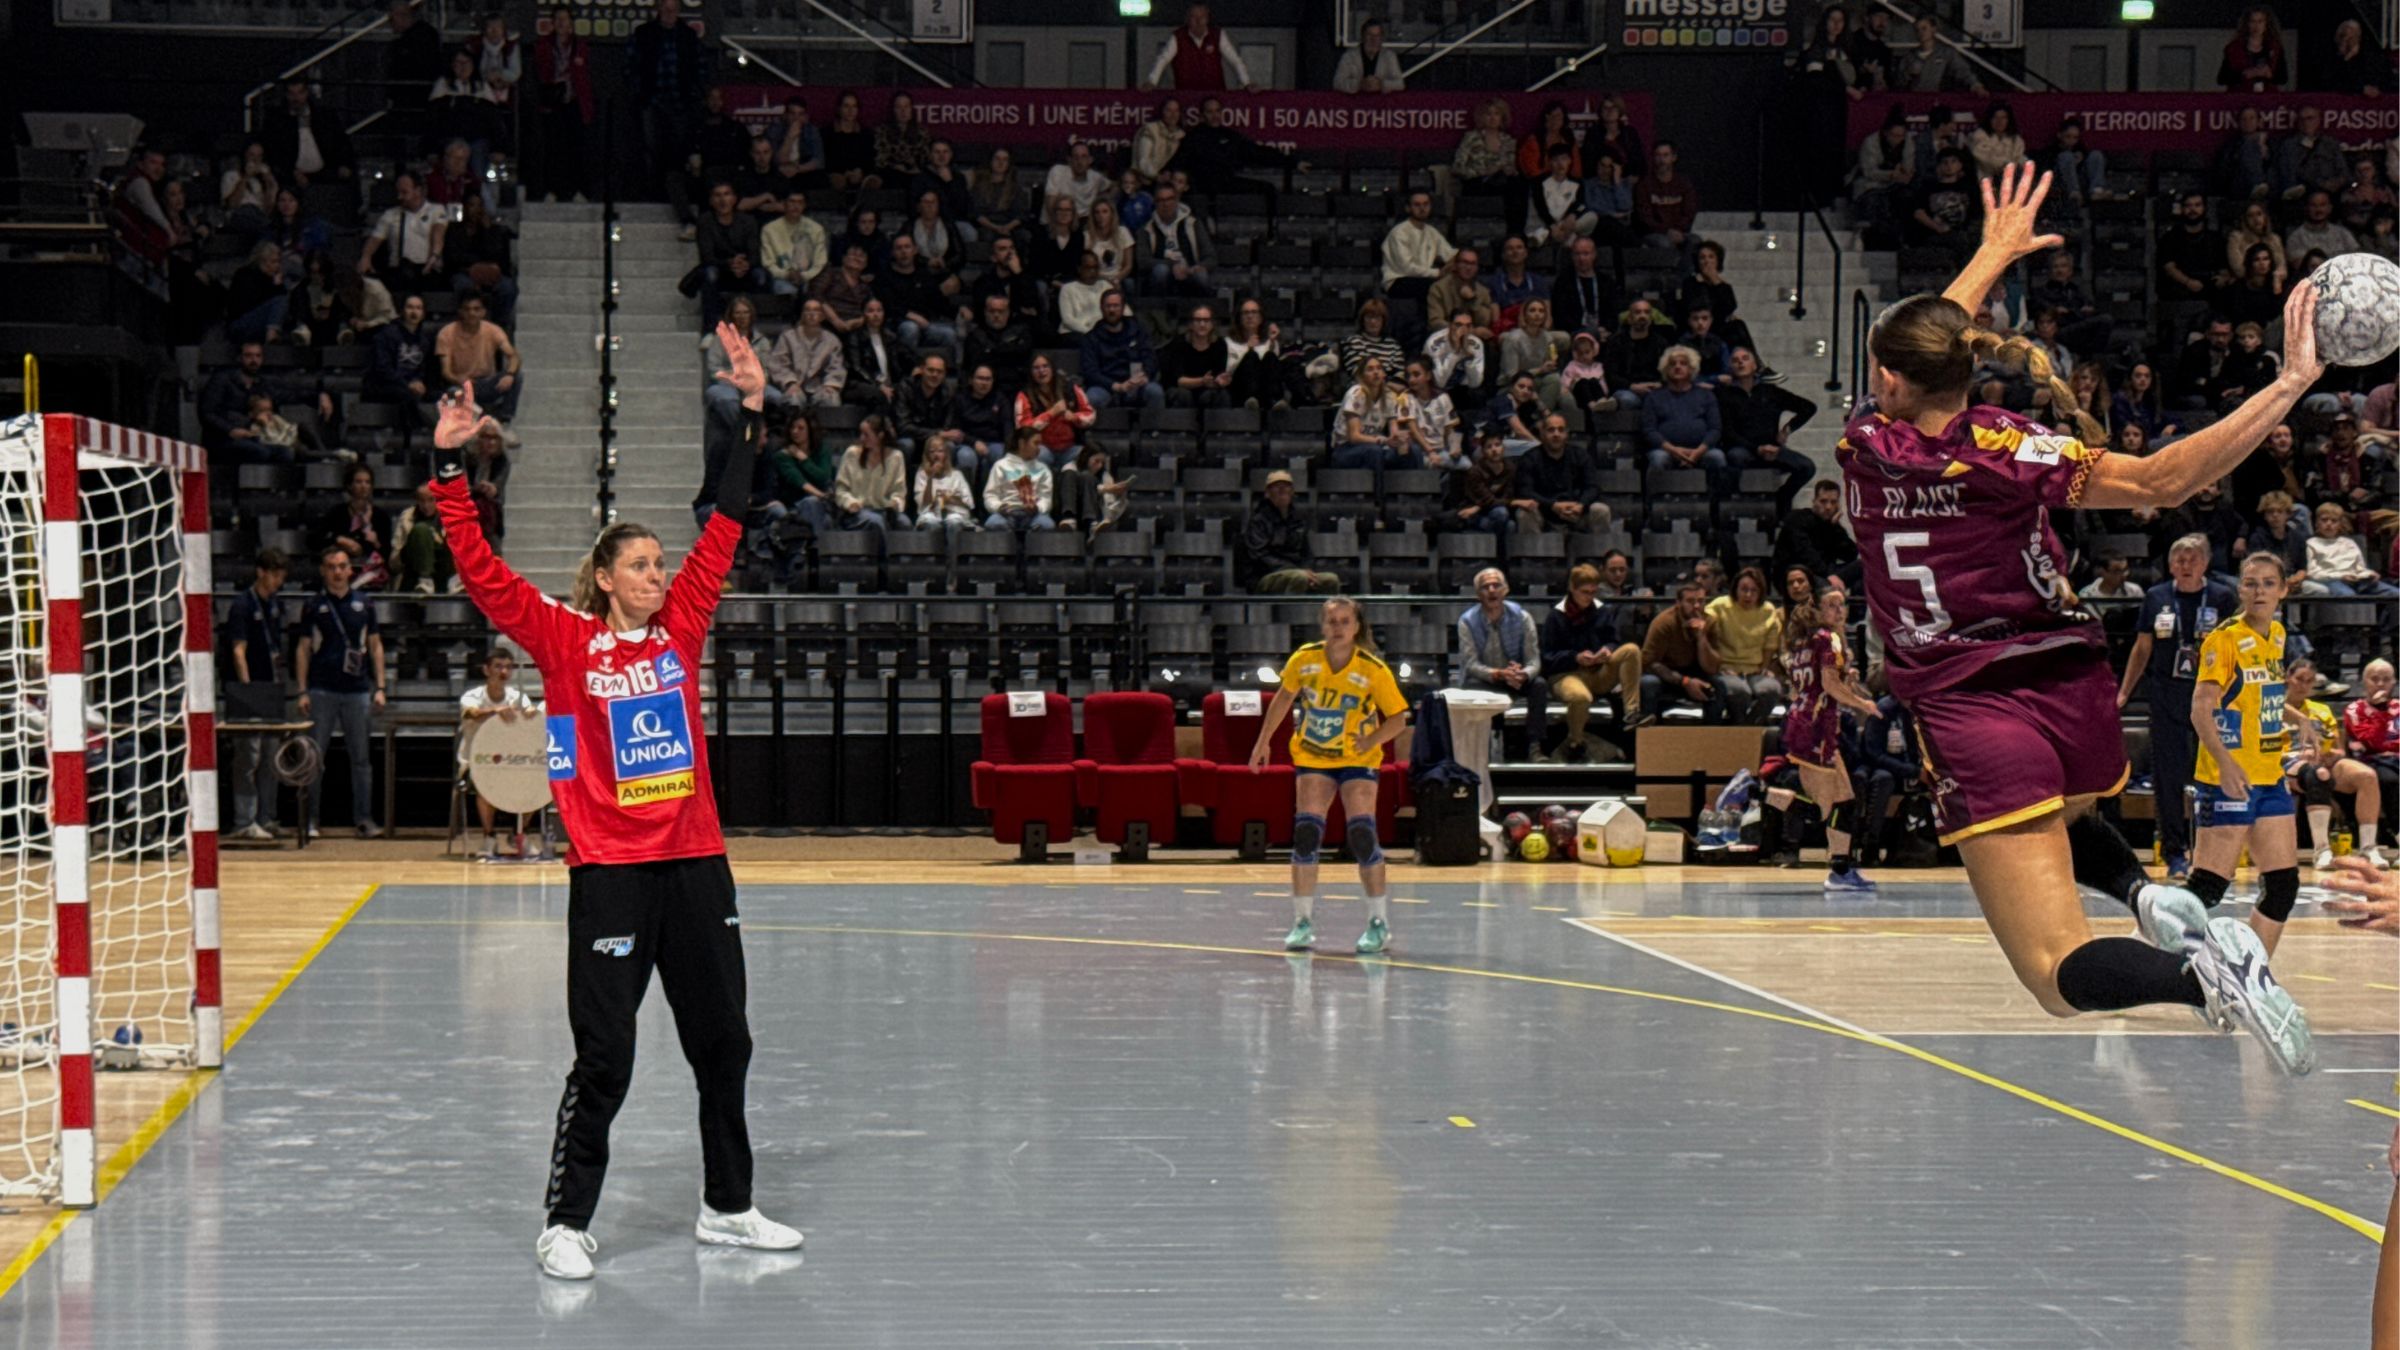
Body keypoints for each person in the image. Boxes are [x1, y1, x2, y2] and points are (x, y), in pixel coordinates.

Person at [1845, 163, 2323, 1070]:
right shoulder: (2010, 447)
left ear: (1889, 381)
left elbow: (1923, 350)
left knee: (2051, 971)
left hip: (1967, 701)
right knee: (2058, 815)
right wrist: (2290, 383)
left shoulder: (1867, 444)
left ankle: (2208, 980)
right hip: (2070, 686)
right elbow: (2165, 480)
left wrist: (1985, 258)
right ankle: (2145, 896)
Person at [433, 348, 802, 1278]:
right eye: (638, 564)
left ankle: (729, 1205)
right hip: (610, 874)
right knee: (606, 1057)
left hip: (694, 863)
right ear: (604, 576)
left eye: (658, 564)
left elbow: (724, 519)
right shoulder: (563, 640)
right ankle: (566, 1221)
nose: (655, 573)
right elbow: (480, 572)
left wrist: (750, 416)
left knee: (725, 1044)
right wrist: (448, 472)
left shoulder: (683, 625)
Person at [1248, 596, 1409, 954]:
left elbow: (1398, 718)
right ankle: (1302, 922)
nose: (1338, 627)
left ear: (1357, 626)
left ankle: (1378, 923)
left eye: (1345, 621)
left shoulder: (1371, 668)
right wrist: (1263, 742)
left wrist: (1371, 738)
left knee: (1362, 833)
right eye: (1331, 621)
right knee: (1306, 833)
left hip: (1357, 758)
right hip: (1313, 755)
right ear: (1322, 625)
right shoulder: (1305, 660)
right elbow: (1282, 699)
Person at [2185, 551, 2304, 960]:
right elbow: (2201, 709)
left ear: (2283, 590)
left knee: (2283, 884)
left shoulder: (2277, 635)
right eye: (2251, 583)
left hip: (2269, 775)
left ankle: (2250, 978)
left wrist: (2295, 715)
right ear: (2240, 589)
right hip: (2228, 776)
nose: (2259, 591)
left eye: (2269, 583)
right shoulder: (2225, 638)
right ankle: (2137, 964)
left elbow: (2257, 691)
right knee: (2207, 888)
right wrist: (2226, 763)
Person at [1786, 586, 1885, 892]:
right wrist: (1862, 703)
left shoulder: (1804, 640)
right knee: (1833, 804)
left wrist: (1847, 686)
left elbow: (1807, 685)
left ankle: (1841, 870)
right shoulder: (1830, 639)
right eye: (1831, 605)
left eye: (1842, 605)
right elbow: (1829, 685)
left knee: (1841, 801)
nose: (1839, 611)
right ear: (1818, 609)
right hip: (1816, 727)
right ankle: (1754, 795)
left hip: (1807, 722)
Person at [295, 545, 387, 839]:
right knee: (315, 758)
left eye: (342, 566)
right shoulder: (312, 605)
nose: (337, 572)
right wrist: (302, 690)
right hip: (322, 690)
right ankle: (310, 821)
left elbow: (375, 645)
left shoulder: (365, 604)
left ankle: (364, 818)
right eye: (331, 566)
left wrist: (381, 687)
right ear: (324, 570)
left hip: (357, 691)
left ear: (351, 570)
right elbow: (303, 648)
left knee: (361, 760)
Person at [2283, 657, 2384, 870]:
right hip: (2289, 761)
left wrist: (2333, 754)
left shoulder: (2322, 710)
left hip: (2324, 759)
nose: (2304, 685)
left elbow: (2339, 748)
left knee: (2367, 776)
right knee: (2318, 775)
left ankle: (2368, 848)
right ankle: (2322, 850)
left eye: (2309, 681)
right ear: (2287, 678)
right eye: (2299, 679)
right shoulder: (2276, 709)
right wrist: (2303, 755)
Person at [221, 548, 290, 842]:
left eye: (281, 576)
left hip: (271, 687)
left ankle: (266, 816)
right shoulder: (242, 605)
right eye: (274, 575)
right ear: (261, 572)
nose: (278, 581)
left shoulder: (275, 605)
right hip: (249, 691)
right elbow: (239, 651)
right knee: (248, 758)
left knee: (270, 757)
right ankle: (243, 819)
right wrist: (247, 688)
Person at [1542, 562, 1644, 759]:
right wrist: (1575, 657)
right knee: (1581, 698)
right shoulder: (1556, 615)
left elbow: (1613, 640)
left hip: (1598, 671)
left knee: (1631, 650)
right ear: (1572, 588)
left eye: (1593, 592)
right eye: (1584, 592)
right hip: (1566, 674)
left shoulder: (1601, 610)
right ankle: (1575, 741)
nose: (1589, 597)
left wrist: (1607, 650)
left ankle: (1632, 712)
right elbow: (1547, 657)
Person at [1456, 568, 1548, 762]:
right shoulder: (1467, 621)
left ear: (1505, 590)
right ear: (1478, 594)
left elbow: (1534, 660)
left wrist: (1523, 674)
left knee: (1538, 685)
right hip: (1486, 678)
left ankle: (1535, 746)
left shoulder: (1523, 618)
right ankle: (1486, 749)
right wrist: (1498, 673)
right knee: (1473, 687)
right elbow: (1471, 664)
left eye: (1496, 585)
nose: (1491, 590)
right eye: (1485, 587)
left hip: (1515, 677)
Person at [458, 645, 538, 858]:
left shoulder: (516, 697)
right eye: (498, 666)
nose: (503, 672)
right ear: (486, 670)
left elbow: (531, 713)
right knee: (485, 787)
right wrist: (496, 711)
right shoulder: (472, 696)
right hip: (476, 762)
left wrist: (531, 714)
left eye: (508, 667)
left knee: (537, 783)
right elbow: (470, 713)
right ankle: (489, 837)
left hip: (511, 761)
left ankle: (520, 834)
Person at [1706, 567, 1785, 724]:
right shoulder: (1720, 605)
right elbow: (1706, 633)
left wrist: (1765, 668)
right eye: (1744, 589)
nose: (1748, 595)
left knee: (1772, 689)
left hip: (1755, 669)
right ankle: (1739, 726)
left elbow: (1770, 645)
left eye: (1754, 591)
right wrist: (1718, 666)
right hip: (1726, 667)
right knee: (1739, 691)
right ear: (1735, 589)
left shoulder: (1768, 610)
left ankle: (1749, 726)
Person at [531, 5, 594, 202]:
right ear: (552, 23)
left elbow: (584, 77)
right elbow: (541, 72)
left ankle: (579, 190)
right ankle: (552, 190)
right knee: (553, 149)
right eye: (557, 19)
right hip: (553, 102)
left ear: (571, 23)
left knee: (577, 148)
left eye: (564, 19)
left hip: (574, 102)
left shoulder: (580, 46)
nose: (561, 23)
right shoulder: (543, 45)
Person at [1240, 471, 1337, 593]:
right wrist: (1294, 570)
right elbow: (1260, 556)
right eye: (1276, 487)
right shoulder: (1258, 521)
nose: (1282, 490)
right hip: (1264, 575)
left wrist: (1308, 569)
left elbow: (1306, 553)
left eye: (1286, 486)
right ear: (1267, 493)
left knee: (1331, 579)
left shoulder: (1298, 520)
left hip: (1296, 572)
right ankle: (1291, 612)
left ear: (1292, 492)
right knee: (1299, 577)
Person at [1641, 581, 1724, 721]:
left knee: (1720, 685)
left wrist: (1701, 637)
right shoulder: (1664, 623)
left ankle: (1712, 735)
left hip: (1696, 672)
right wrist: (1684, 682)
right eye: (1690, 601)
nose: (1697, 606)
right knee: (1649, 683)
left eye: (1701, 601)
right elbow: (1649, 663)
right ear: (1678, 603)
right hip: (1665, 674)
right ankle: (1648, 736)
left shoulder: (1710, 622)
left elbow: (1712, 668)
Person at [359, 171, 447, 300]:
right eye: (398, 192)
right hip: (399, 270)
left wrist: (434, 256)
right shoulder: (390, 215)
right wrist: (366, 257)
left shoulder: (436, 210)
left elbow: (438, 234)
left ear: (418, 191)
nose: (399, 197)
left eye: (404, 192)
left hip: (427, 269)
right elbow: (375, 239)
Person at [1141, 1, 1256, 92]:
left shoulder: (1217, 35)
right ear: (1187, 19)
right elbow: (1163, 60)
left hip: (1214, 97)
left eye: (1202, 17)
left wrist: (1246, 83)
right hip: (1186, 95)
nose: (1198, 21)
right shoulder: (1178, 36)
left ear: (1207, 18)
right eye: (1194, 17)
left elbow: (1235, 60)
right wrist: (1152, 82)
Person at [1080, 291, 1163, 413]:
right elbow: (1090, 371)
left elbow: (1150, 357)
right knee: (1092, 397)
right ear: (1102, 308)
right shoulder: (1091, 338)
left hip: (1136, 383)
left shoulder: (1138, 331)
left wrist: (1145, 376)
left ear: (1123, 307)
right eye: (1108, 306)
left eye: (1116, 305)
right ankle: (1096, 433)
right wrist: (1116, 386)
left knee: (1154, 391)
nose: (1112, 310)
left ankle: (1154, 431)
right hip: (1106, 385)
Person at [763, 298, 846, 410]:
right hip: (794, 385)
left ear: (822, 316)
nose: (812, 314)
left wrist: (830, 384)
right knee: (793, 397)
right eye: (807, 310)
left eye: (816, 310)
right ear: (802, 314)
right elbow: (778, 364)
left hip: (820, 387)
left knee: (831, 398)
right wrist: (790, 382)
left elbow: (836, 367)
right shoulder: (788, 337)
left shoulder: (832, 340)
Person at [1013, 354, 1095, 465]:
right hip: (1042, 448)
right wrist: (1051, 413)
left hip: (1070, 448)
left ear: (1052, 368)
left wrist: (1075, 417)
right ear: (1031, 372)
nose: (1041, 371)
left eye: (1045, 366)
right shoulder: (1024, 395)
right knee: (1037, 455)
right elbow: (1022, 428)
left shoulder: (1070, 388)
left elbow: (1090, 415)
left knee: (1090, 457)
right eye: (1036, 368)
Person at [833, 414, 907, 534]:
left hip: (884, 509)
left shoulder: (896, 457)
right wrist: (850, 502)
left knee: (905, 523)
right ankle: (884, 553)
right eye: (861, 433)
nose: (862, 438)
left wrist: (895, 502)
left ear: (880, 436)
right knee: (875, 521)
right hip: (858, 511)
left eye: (866, 435)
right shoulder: (852, 453)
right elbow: (841, 489)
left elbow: (899, 490)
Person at [1138, 183, 1214, 297]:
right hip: (1161, 276)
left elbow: (1211, 257)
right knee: (1161, 271)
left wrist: (1194, 268)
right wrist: (1172, 265)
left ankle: (1203, 312)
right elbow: (1143, 261)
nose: (1165, 204)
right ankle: (1159, 312)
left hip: (1190, 271)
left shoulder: (1193, 224)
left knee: (1201, 275)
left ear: (1177, 200)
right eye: (1161, 200)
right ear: (1155, 203)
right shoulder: (1146, 229)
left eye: (1169, 199)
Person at [1379, 191, 1452, 308]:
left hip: (1424, 279)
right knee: (1433, 287)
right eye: (1417, 205)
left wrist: (1454, 263)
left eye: (1426, 204)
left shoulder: (1431, 232)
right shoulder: (1399, 232)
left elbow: (1450, 254)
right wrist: (1438, 273)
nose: (1422, 208)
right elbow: (1407, 268)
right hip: (1398, 280)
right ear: (1408, 208)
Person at [1632, 142, 1699, 260]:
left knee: (1695, 241)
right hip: (1653, 233)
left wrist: (1677, 230)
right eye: (1658, 155)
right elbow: (1644, 217)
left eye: (1665, 155)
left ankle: (1683, 277)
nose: (1661, 160)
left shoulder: (1684, 183)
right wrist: (1667, 231)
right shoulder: (1644, 185)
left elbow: (1689, 212)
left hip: (1679, 232)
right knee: (1664, 243)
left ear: (1674, 157)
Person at [982, 426, 1055, 535]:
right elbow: (990, 495)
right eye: (1035, 443)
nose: (1039, 448)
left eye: (1040, 444)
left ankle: (1030, 550)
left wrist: (1037, 508)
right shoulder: (1001, 465)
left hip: (1033, 515)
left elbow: (1046, 497)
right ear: (1022, 443)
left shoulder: (1042, 469)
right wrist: (999, 507)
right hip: (1007, 513)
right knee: (994, 523)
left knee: (1046, 525)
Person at [911, 435, 977, 541]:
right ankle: (933, 555)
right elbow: (922, 504)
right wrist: (930, 478)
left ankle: (953, 556)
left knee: (953, 521)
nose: (936, 455)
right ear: (927, 455)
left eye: (940, 451)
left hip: (955, 513)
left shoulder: (956, 475)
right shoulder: (922, 474)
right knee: (930, 521)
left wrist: (950, 499)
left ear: (946, 454)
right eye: (932, 452)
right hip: (932, 514)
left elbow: (969, 503)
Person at [2217, 6, 2287, 91]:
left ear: (2266, 24)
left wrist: (2269, 74)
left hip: (2267, 98)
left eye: (2260, 21)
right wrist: (2245, 74)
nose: (2256, 26)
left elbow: (2283, 78)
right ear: (2247, 24)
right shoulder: (2233, 48)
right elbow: (2222, 78)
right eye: (2252, 21)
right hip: (2240, 96)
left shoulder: (2275, 48)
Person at [1333, 20, 1404, 93]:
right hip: (1354, 102)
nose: (1373, 39)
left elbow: (1400, 84)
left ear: (1381, 38)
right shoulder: (1349, 56)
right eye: (1369, 35)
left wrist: (1381, 84)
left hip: (1382, 102)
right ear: (1362, 36)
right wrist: (1359, 84)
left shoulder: (1389, 56)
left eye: (1377, 35)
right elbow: (1337, 83)